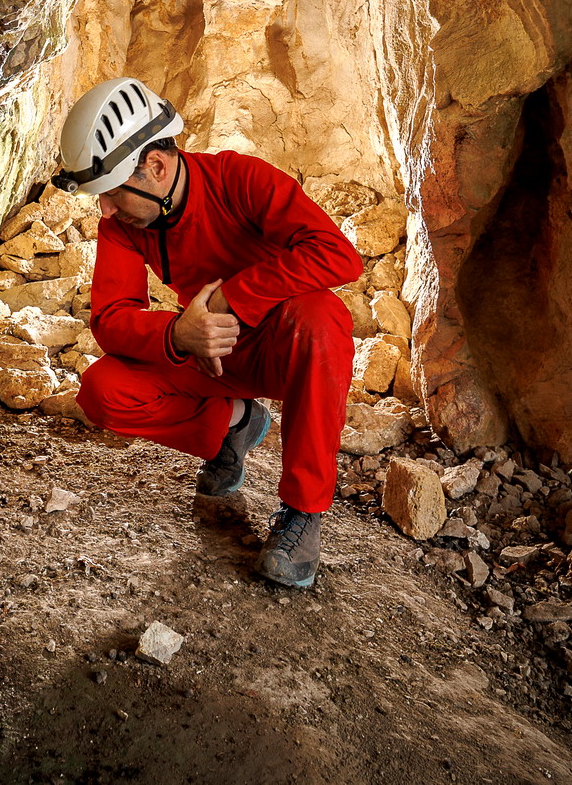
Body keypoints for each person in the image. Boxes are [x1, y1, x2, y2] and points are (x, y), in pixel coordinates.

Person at [51, 78, 362, 587]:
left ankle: (303, 514)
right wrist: (178, 335)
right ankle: (235, 424)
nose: (104, 210)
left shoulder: (239, 178)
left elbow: (337, 256)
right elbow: (111, 318)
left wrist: (230, 300)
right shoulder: (123, 227)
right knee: (103, 390)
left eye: (110, 194)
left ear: (155, 166)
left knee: (322, 318)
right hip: (210, 356)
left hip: (282, 352)